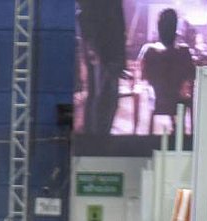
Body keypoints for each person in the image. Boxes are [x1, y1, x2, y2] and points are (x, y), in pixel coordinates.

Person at [138, 7, 196, 136]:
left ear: (158, 28)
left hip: (159, 99)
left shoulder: (149, 51)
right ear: (176, 28)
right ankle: (180, 131)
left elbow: (144, 76)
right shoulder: (184, 52)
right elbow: (192, 76)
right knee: (181, 94)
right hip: (178, 99)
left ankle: (175, 126)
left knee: (168, 90)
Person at [76, 0, 127, 136]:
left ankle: (96, 136)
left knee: (101, 96)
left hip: (105, 48)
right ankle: (97, 137)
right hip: (103, 47)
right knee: (103, 96)